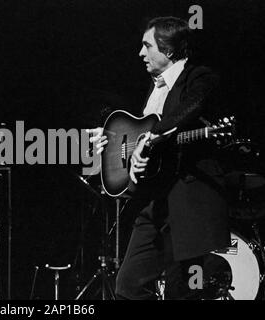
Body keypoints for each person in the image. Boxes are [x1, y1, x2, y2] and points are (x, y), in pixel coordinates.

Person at [88, 16, 230, 299]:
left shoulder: (199, 77)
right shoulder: (154, 87)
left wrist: (151, 138)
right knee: (127, 286)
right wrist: (113, 141)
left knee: (183, 291)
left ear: (168, 50)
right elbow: (138, 130)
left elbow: (191, 107)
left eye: (147, 46)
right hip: (154, 203)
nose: (141, 53)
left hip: (189, 203)